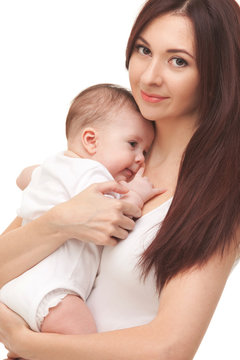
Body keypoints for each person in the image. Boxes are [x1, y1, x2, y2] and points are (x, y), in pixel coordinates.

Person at [0, 0, 240, 359]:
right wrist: (62, 222)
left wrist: (24, 342)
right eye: (144, 50)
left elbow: (170, 347)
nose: (149, 77)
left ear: (217, 73)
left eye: (178, 61)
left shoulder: (220, 192)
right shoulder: (112, 149)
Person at [0, 83, 161, 336]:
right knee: (83, 339)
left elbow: (23, 178)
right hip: (51, 291)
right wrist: (138, 193)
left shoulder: (56, 165)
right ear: (90, 141)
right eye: (132, 144)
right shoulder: (91, 173)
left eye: (146, 151)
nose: (140, 158)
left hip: (17, 286)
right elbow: (116, 212)